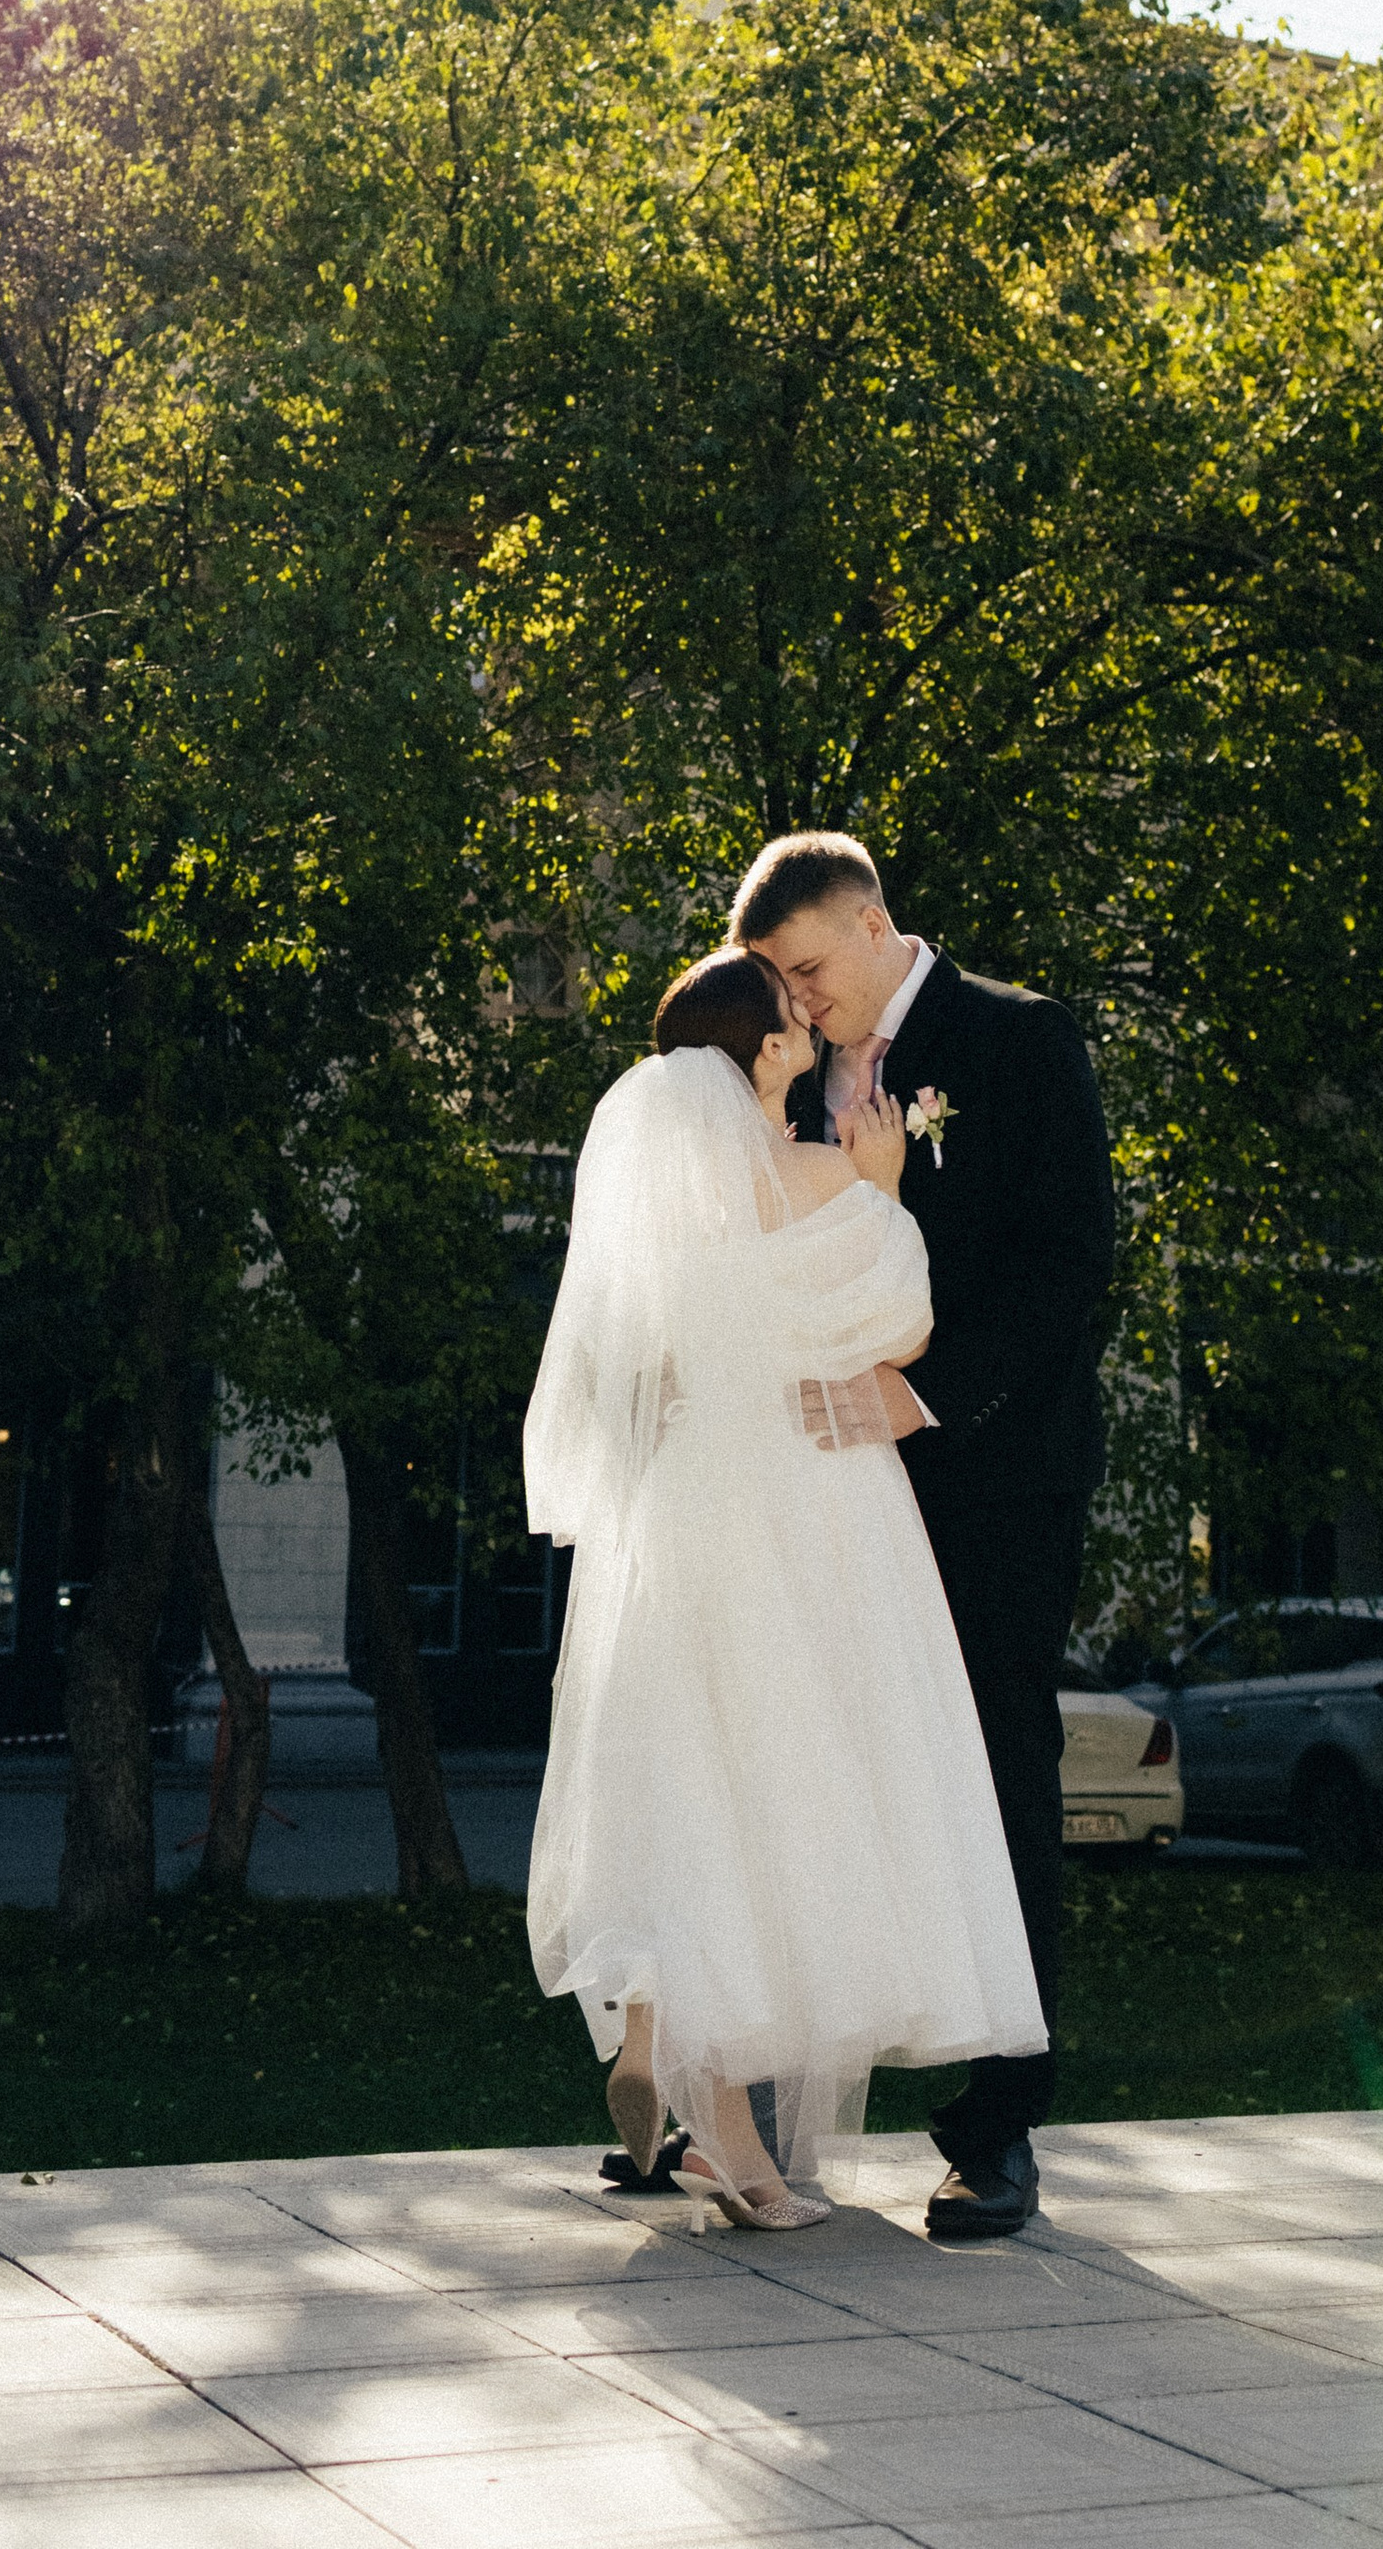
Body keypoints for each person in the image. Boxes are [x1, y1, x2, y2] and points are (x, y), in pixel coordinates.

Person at [524, 948, 1045, 2230]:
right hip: (817, 1504)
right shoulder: (821, 1178)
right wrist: (883, 1188)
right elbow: (906, 1331)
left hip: (685, 1514)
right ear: (760, 1057)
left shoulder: (653, 1217)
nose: (808, 1033)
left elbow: (630, 1372)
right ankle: (742, 2154)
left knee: (692, 1779)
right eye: (792, 1025)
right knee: (802, 1787)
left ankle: (667, 2044)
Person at [729, 832, 1115, 2243]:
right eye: (775, 978)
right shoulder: (784, 1075)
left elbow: (1074, 1261)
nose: (798, 999)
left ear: (876, 919)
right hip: (828, 1492)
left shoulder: (1019, 1039)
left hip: (992, 1477)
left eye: (810, 967)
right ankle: (767, 2109)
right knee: (814, 1772)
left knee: (995, 1768)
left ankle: (997, 2127)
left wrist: (922, 1395)